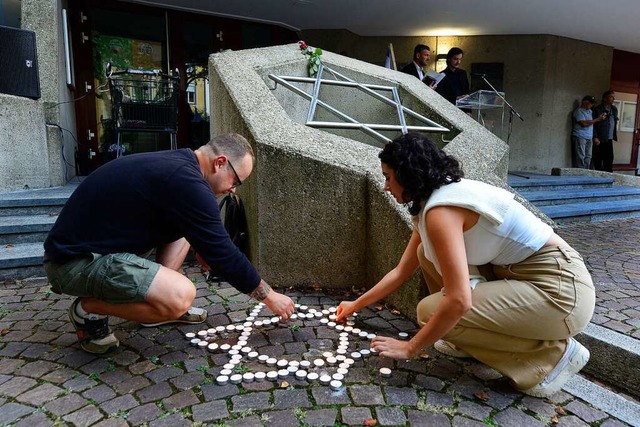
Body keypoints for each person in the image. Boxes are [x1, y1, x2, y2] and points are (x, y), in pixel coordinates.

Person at [336, 133, 595, 397]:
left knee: (429, 312)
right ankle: (459, 337)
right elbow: (402, 271)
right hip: (523, 276)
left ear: (408, 175)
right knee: (426, 252)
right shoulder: (434, 202)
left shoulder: (441, 211)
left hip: (561, 292)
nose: (385, 186)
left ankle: (550, 358)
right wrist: (355, 305)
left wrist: (410, 347)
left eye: (388, 177)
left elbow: (459, 300)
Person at [44, 133, 295, 354]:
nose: (233, 190)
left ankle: (157, 311)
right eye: (236, 181)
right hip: (73, 263)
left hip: (100, 250)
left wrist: (203, 245)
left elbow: (207, 238)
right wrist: (270, 297)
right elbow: (224, 254)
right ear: (220, 163)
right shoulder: (187, 182)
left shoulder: (181, 167)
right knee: (181, 295)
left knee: (187, 227)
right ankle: (87, 309)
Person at [572, 95, 605, 169]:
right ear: (584, 102)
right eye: (590, 103)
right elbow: (583, 123)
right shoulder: (579, 111)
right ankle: (580, 171)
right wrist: (597, 119)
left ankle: (585, 171)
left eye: (592, 103)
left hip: (589, 136)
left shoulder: (590, 111)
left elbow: (591, 123)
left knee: (588, 156)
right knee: (581, 155)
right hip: (580, 136)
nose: (592, 105)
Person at [592, 90, 619, 172]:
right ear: (604, 98)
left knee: (609, 158)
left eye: (614, 97)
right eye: (611, 97)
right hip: (600, 138)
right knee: (598, 158)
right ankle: (599, 177)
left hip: (610, 137)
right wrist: (595, 136)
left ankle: (609, 176)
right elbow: (593, 124)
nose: (613, 99)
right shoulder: (598, 109)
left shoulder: (614, 109)